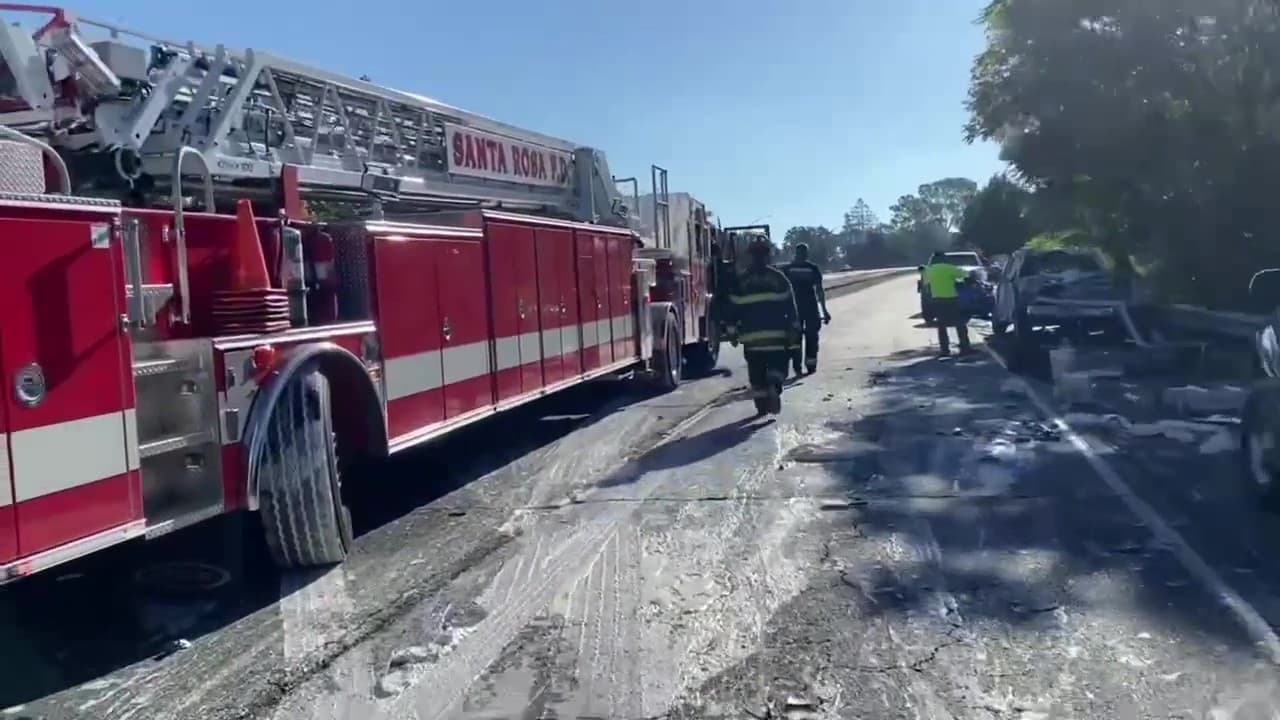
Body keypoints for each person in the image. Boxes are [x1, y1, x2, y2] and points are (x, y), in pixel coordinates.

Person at [724, 235, 800, 414]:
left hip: (752, 340)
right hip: (777, 337)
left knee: (756, 375)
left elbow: (732, 309)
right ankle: (774, 385)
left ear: (750, 256)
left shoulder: (741, 282)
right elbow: (791, 308)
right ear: (768, 255)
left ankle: (761, 406)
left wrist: (732, 332)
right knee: (778, 368)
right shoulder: (780, 279)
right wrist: (794, 333)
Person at [782, 243, 832, 375]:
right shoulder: (812, 268)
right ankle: (810, 365)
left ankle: (797, 366)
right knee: (811, 337)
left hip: (793, 308)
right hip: (810, 307)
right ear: (806, 254)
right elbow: (819, 291)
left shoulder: (787, 269)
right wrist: (824, 310)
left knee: (794, 338)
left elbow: (782, 291)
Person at [922, 251, 972, 356]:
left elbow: (926, 284)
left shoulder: (928, 271)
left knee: (941, 326)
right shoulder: (950, 268)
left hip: (937, 300)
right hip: (952, 299)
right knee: (960, 324)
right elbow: (965, 275)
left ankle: (945, 350)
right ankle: (965, 347)